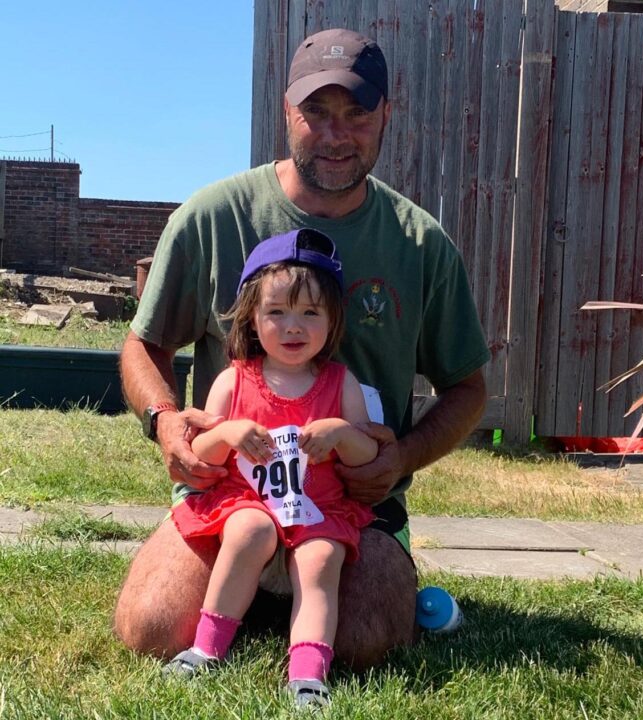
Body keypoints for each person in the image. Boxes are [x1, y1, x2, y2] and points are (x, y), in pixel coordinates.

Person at [114, 27, 490, 671]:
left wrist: (400, 455)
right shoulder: (213, 216)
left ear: (386, 116)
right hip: (230, 496)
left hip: (350, 508)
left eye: (357, 113)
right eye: (316, 111)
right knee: (149, 628)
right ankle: (248, 594)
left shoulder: (420, 244)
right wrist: (165, 421)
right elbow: (142, 345)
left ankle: (313, 605)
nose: (336, 134)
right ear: (287, 110)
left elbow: (467, 386)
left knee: (367, 641)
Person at [164, 228, 377, 707]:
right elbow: (207, 455)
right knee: (248, 531)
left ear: (332, 320)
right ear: (253, 320)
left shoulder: (342, 384)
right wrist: (229, 433)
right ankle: (206, 648)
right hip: (249, 501)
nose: (293, 326)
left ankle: (307, 674)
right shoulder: (233, 380)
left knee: (321, 560)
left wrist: (342, 433)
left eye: (309, 313)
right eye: (276, 312)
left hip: (317, 508)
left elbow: (368, 454)